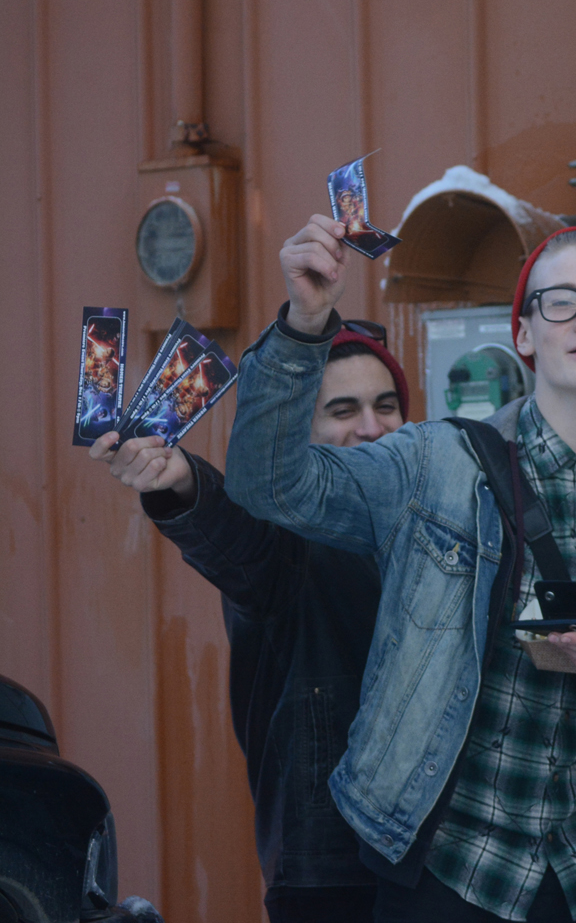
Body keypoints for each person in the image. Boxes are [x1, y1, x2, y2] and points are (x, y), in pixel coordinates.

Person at [224, 213, 576, 923]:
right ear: (524, 335)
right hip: (451, 874)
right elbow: (267, 486)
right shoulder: (433, 462)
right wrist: (305, 323)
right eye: (561, 301)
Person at [89, 323, 411, 923]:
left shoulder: (432, 527)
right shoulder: (286, 539)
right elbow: (233, 533)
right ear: (299, 433)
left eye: (385, 405)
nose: (371, 427)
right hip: (330, 872)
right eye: (343, 410)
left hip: (439, 867)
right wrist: (180, 481)